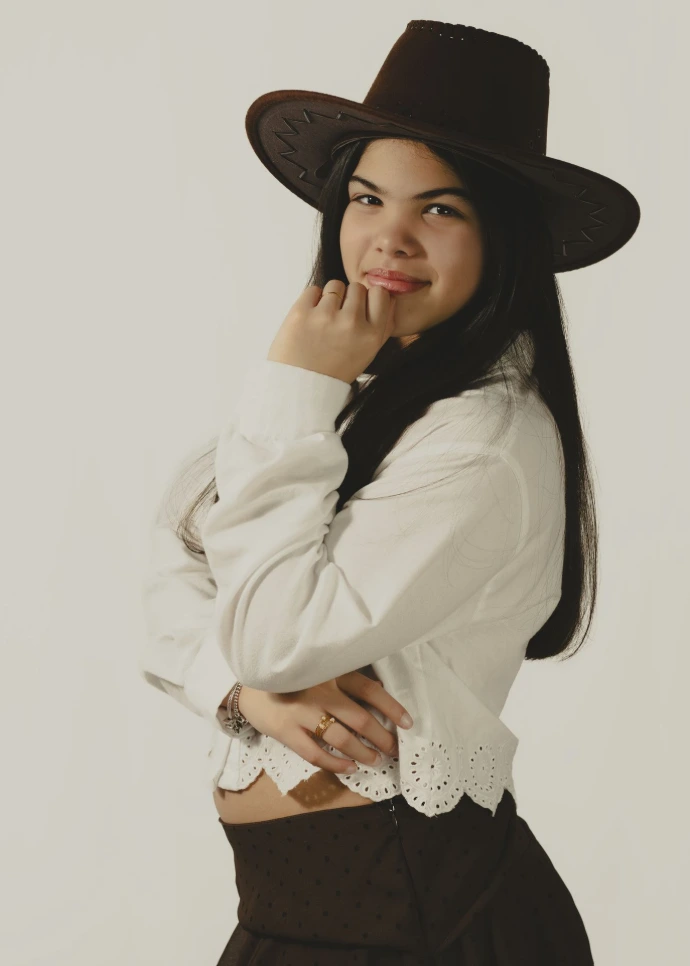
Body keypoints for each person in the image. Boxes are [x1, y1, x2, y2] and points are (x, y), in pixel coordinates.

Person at [139, 19, 640, 964]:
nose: (389, 238)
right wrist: (245, 692)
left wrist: (293, 385)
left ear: (505, 235)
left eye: (440, 210)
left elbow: (277, 629)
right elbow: (171, 581)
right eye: (367, 198)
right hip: (298, 920)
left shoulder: (484, 437)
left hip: (420, 926)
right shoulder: (347, 396)